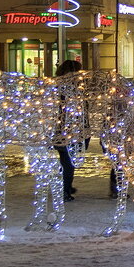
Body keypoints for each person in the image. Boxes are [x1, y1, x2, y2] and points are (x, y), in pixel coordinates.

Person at [53, 59, 82, 200]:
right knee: (68, 163)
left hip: (63, 131)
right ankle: (64, 190)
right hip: (66, 132)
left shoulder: (57, 86)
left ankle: (67, 186)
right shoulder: (69, 89)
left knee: (67, 162)